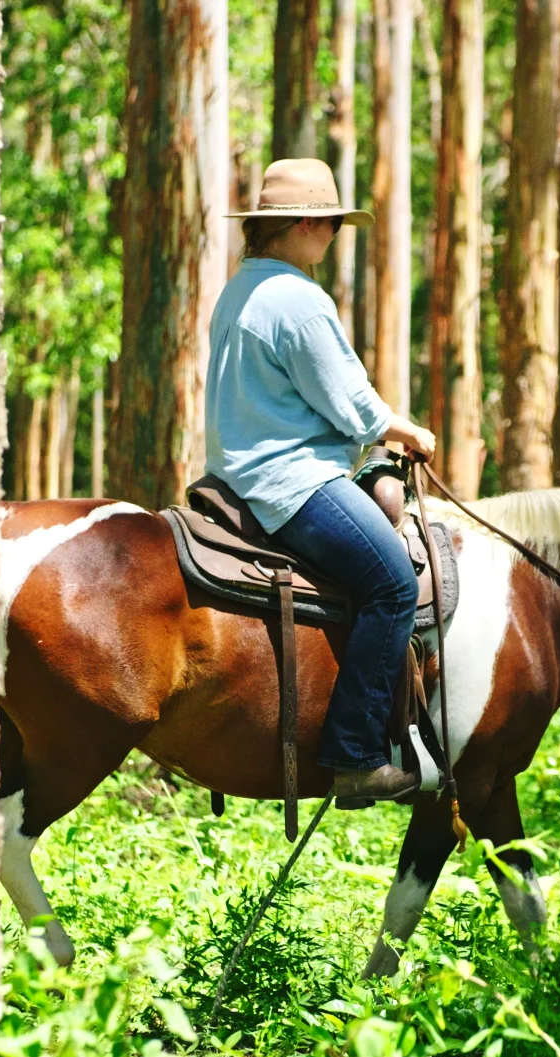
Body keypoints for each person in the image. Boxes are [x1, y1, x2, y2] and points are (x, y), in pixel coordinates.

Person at [206, 158, 438, 807]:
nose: (334, 237)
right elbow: (353, 407)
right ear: (308, 223)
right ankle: (354, 755)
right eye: (333, 224)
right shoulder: (299, 299)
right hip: (291, 480)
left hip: (236, 475)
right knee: (393, 583)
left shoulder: (241, 287)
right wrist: (408, 431)